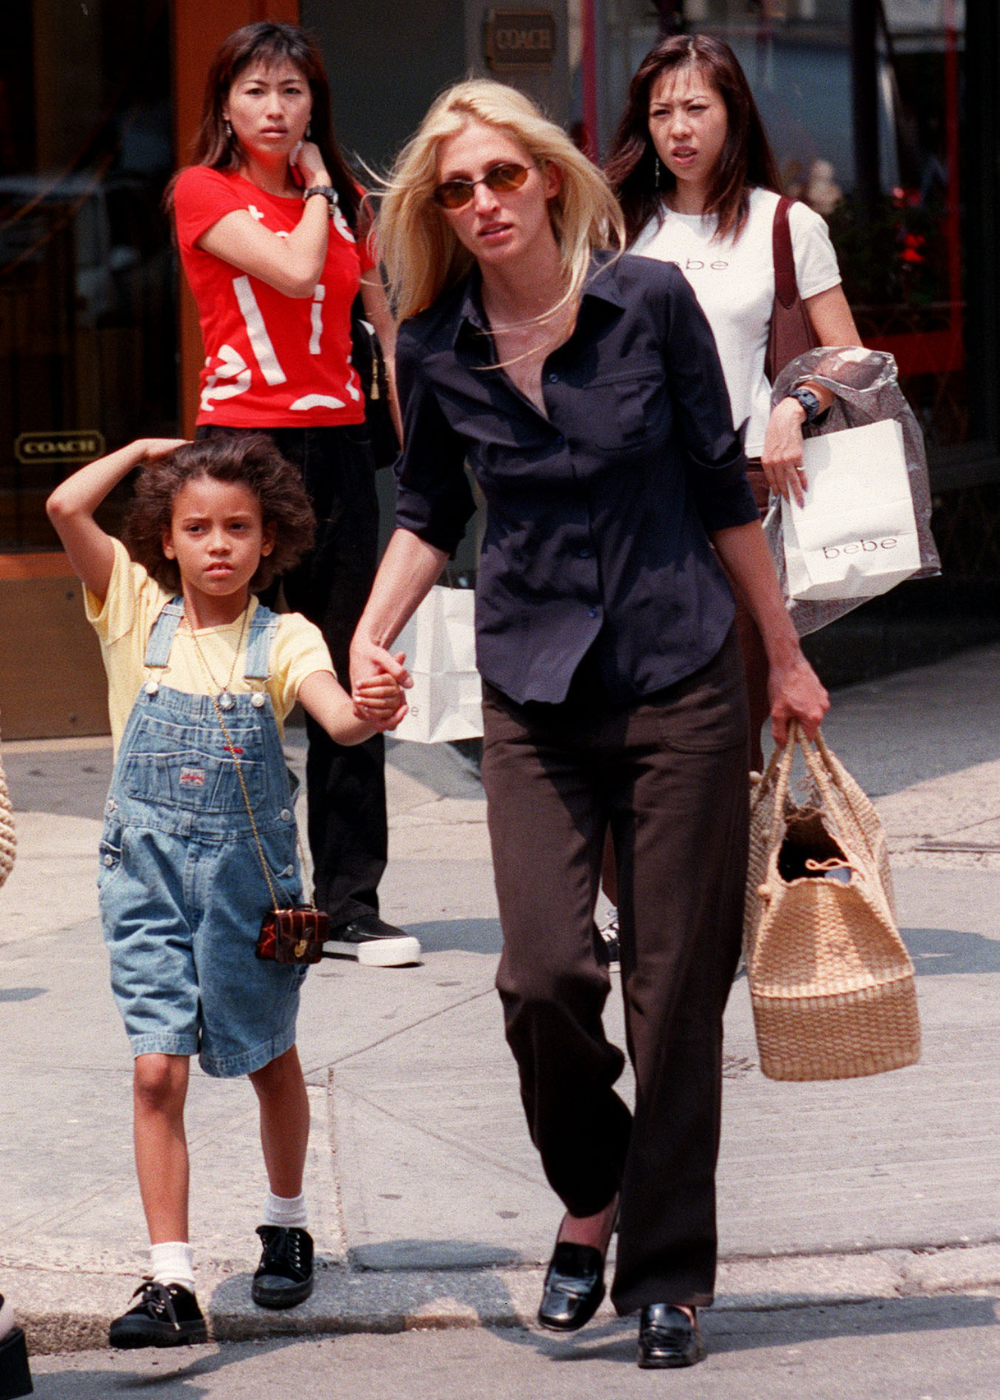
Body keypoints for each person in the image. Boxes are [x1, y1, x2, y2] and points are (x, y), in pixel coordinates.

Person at [348, 79, 829, 1369]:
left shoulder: (648, 302)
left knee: (675, 988)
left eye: (502, 176)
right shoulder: (435, 339)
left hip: (680, 674)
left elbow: (723, 486)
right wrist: (371, 629)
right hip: (534, 692)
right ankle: (593, 1192)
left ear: (549, 178)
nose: (484, 202)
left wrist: (779, 652)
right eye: (456, 189)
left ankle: (664, 1269)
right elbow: (428, 508)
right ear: (436, 212)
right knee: (544, 974)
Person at [46, 436, 402, 1348]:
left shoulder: (285, 637)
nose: (217, 545)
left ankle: (286, 1226)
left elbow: (335, 715)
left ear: (269, 536)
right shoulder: (130, 610)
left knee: (266, 1059)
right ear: (163, 539)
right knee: (156, 1067)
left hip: (253, 894)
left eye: (238, 528)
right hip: (147, 882)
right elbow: (62, 510)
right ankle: (171, 1281)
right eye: (195, 526)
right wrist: (137, 450)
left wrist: (372, 709)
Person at [166, 21, 419, 967]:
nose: (276, 110)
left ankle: (350, 904)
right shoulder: (206, 190)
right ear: (225, 105)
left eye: (293, 92)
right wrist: (317, 190)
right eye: (257, 91)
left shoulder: (342, 196)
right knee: (232, 676)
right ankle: (232, 893)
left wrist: (413, 410)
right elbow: (297, 269)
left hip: (342, 446)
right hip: (244, 449)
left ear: (315, 103)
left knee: (353, 663)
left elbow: (377, 312)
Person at [606, 32, 861, 771]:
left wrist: (797, 405)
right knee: (629, 707)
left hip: (740, 490)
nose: (678, 128)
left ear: (733, 113)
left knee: (736, 704)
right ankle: (641, 888)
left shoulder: (786, 224)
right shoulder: (615, 224)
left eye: (696, 107)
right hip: (631, 489)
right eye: (661, 113)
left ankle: (736, 881)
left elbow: (855, 358)